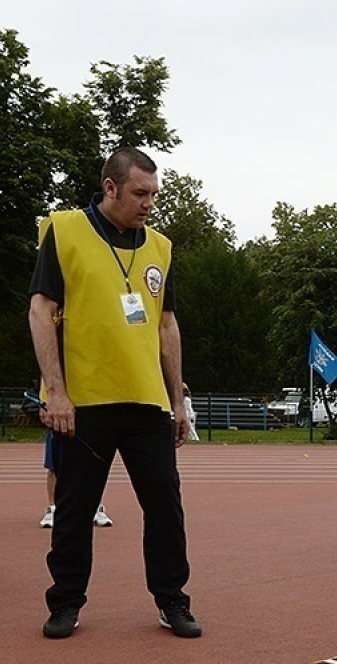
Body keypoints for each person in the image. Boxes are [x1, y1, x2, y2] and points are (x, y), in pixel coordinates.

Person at [28, 146, 201, 639]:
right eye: (140, 193)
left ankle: (172, 600)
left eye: (154, 194)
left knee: (166, 504)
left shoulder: (160, 248)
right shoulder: (65, 232)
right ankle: (65, 603)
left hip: (146, 401)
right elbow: (41, 312)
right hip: (83, 402)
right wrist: (56, 392)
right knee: (75, 508)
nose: (150, 203)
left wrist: (176, 399)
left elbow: (167, 325)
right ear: (110, 187)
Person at [39, 431, 113, 528]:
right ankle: (53, 508)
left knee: (91, 464)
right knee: (54, 466)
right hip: (61, 425)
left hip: (89, 426)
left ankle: (94, 507)